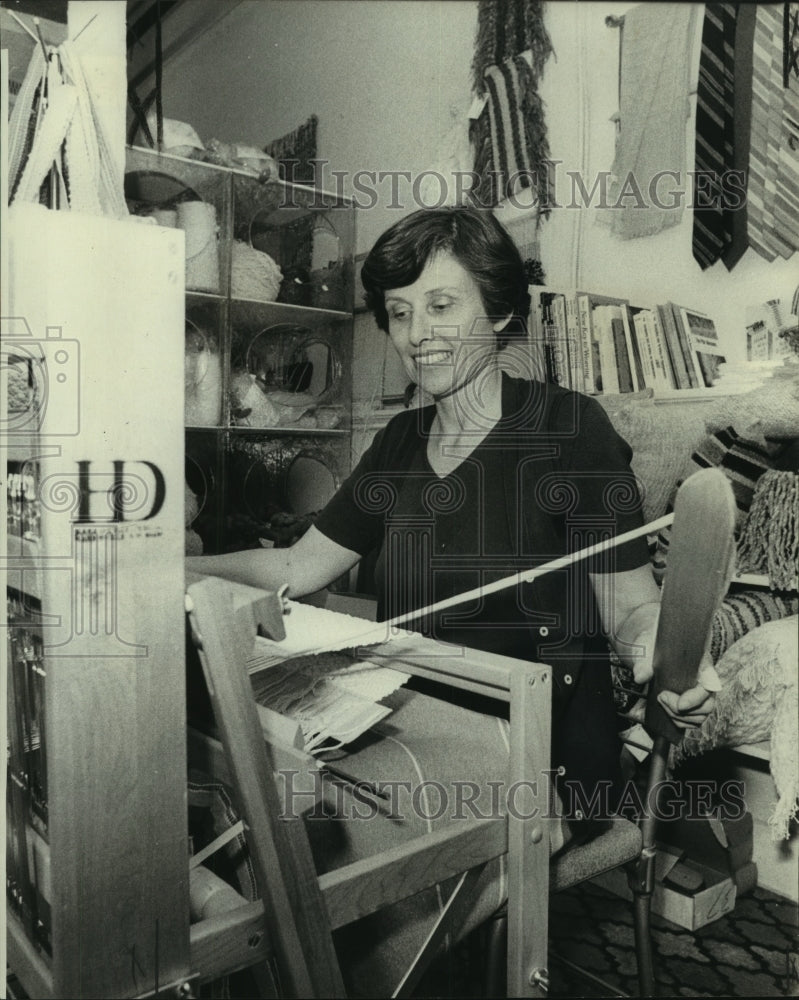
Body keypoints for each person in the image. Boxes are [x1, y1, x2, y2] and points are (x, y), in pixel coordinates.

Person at [188, 206, 718, 991]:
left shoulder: (570, 431)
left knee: (334, 897)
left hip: (542, 757)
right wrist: (164, 561)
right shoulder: (398, 444)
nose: (415, 332)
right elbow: (299, 565)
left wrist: (655, 646)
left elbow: (630, 606)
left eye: (441, 305)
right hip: (409, 727)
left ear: (499, 309)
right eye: (399, 313)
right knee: (273, 831)